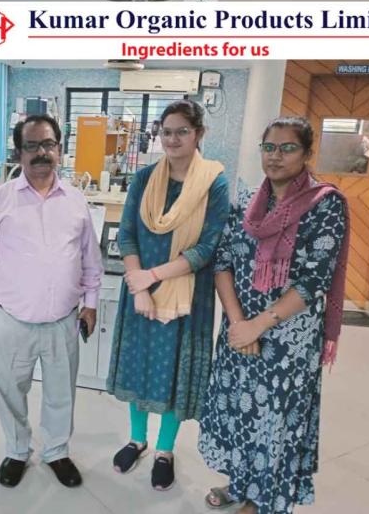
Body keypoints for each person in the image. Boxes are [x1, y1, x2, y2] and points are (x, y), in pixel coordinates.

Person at [198, 117, 349, 514]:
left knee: (276, 421)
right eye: (269, 147)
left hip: (287, 340)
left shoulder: (325, 204)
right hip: (240, 331)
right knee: (242, 411)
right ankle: (242, 483)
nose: (275, 156)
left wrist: (257, 326)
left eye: (287, 148)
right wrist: (238, 323)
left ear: (307, 153)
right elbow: (223, 261)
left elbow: (315, 279)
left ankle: (266, 499)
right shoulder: (248, 201)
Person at [0, 114, 103, 488]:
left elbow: (91, 259)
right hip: (9, 319)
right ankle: (16, 451)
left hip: (63, 319)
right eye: (32, 145)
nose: (41, 152)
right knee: (11, 391)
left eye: (48, 144)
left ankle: (57, 451)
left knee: (62, 393)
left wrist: (91, 303)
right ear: (19, 152)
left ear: (59, 149)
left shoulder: (76, 201)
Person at [106, 100, 229, 490]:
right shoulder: (145, 178)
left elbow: (206, 248)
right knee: (140, 363)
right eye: (166, 131)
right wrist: (139, 285)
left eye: (182, 131)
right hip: (140, 290)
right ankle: (137, 440)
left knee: (173, 369)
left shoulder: (213, 182)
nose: (172, 139)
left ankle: (164, 450)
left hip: (186, 293)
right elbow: (127, 235)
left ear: (198, 134)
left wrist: (150, 277)